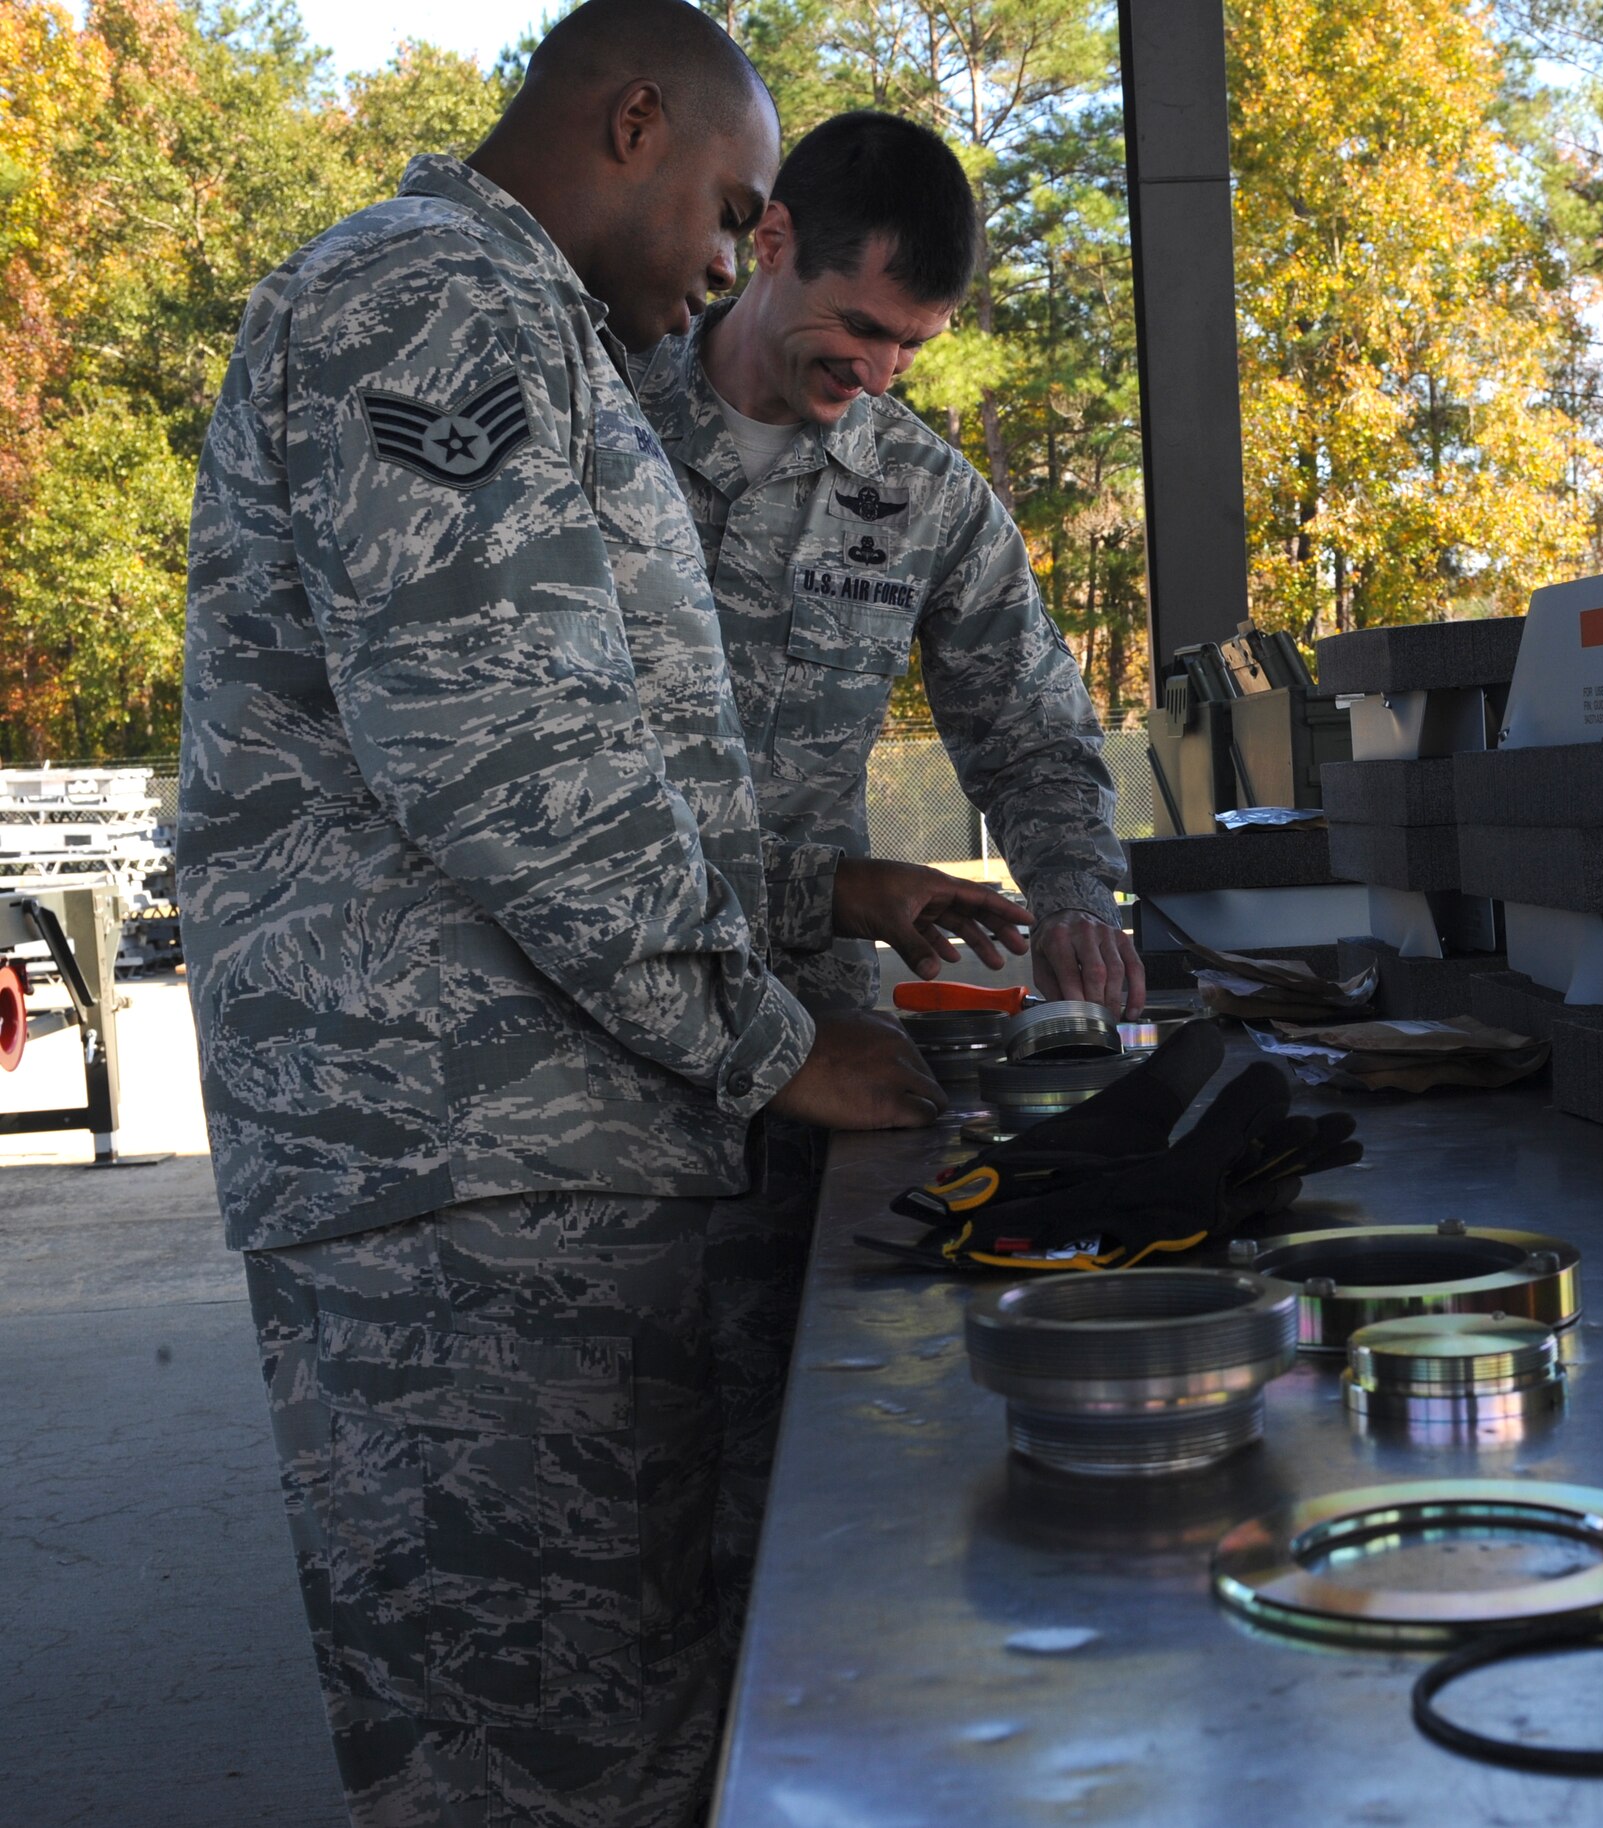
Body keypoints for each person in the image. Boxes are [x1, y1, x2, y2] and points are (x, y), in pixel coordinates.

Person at [177, 6, 1019, 1823]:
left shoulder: (530, 329)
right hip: (455, 1178)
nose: (735, 253)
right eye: (730, 206)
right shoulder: (430, 300)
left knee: (636, 1721)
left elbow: (605, 783)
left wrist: (822, 899)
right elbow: (510, 769)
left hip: (545, 1154)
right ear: (634, 121)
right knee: (525, 1763)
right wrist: (775, 1044)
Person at [632, 110, 1146, 1619]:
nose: (875, 376)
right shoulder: (605, 431)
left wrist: (1076, 896)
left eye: (912, 349)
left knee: (800, 1481)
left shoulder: (914, 487)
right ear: (769, 241)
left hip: (813, 1043)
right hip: (599, 1041)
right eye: (857, 330)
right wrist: (844, 887)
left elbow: (1035, 725)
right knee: (614, 1511)